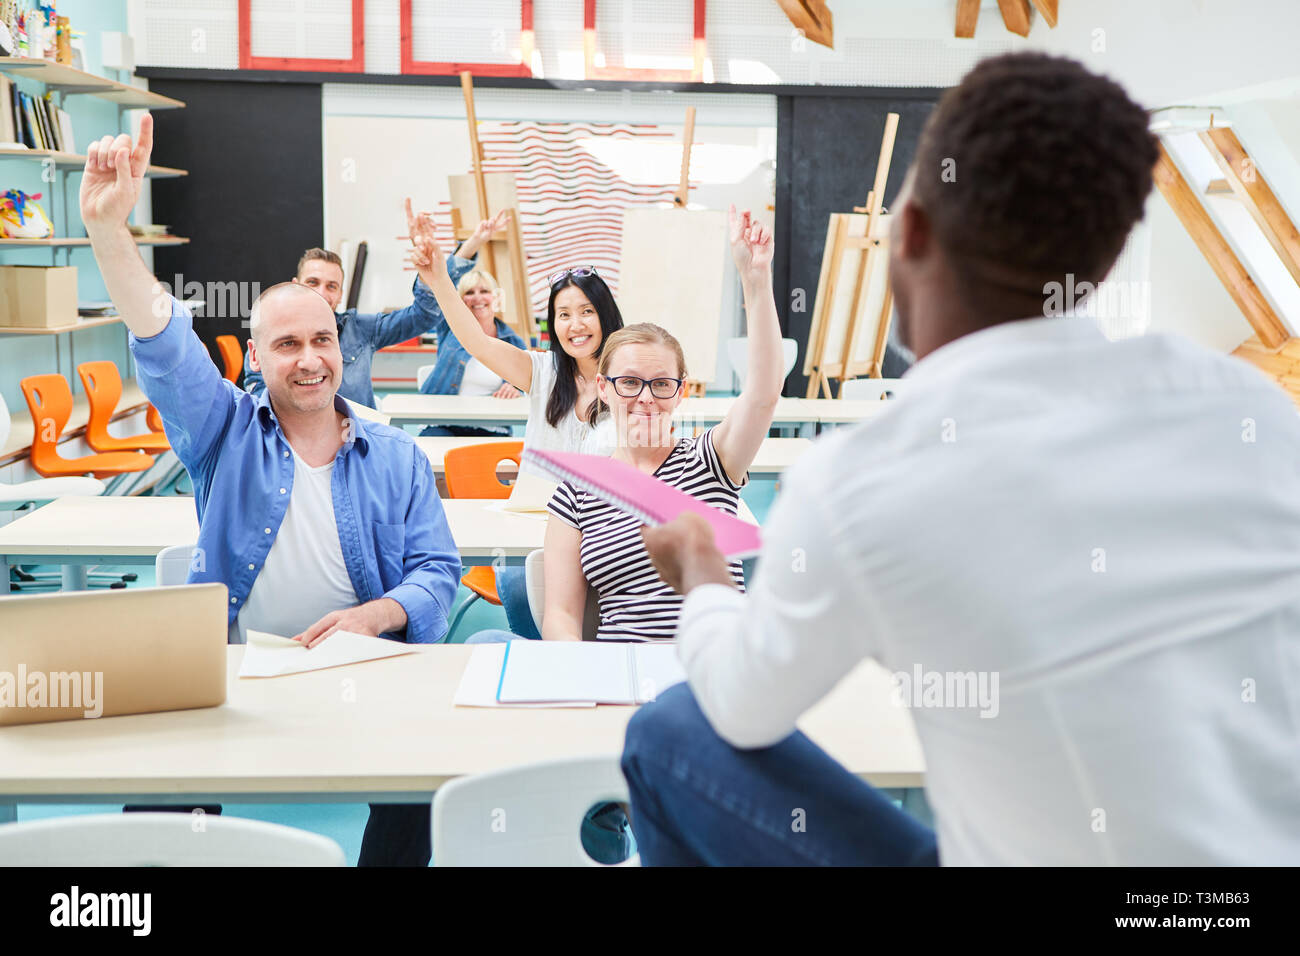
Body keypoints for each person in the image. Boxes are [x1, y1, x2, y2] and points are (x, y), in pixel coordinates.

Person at [621, 52, 1300, 866]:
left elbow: (739, 708)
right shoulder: (1251, 408)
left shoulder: (860, 480)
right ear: (1109, 257)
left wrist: (701, 571)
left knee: (667, 733)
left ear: (910, 231)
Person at [80, 113, 461, 867]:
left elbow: (438, 574)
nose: (311, 359)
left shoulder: (397, 456)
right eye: (287, 344)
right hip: (237, 678)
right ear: (256, 357)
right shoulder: (221, 430)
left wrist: (377, 615)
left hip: (366, 672)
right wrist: (107, 232)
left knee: (433, 782)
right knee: (157, 794)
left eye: (322, 340)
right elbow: (163, 342)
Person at [406, 203, 626, 643]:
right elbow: (474, 340)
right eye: (563, 314)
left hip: (609, 528)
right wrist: (439, 280)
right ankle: (542, 659)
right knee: (513, 578)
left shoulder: (628, 379)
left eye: (586, 311)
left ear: (605, 315)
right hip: (539, 527)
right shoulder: (542, 372)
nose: (575, 324)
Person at [242, 209, 506, 408]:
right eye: (313, 283)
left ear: (341, 294)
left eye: (331, 286)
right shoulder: (270, 337)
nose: (321, 293)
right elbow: (259, 403)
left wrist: (429, 271)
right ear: (295, 284)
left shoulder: (361, 329)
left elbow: (423, 316)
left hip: (356, 444)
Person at [418, 260, 525, 438]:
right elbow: (441, 290)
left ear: (496, 298)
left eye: (484, 291)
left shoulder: (513, 341)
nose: (477, 298)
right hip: (444, 422)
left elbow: (527, 382)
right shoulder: (448, 328)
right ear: (460, 300)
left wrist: (516, 389)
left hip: (491, 426)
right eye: (469, 292)